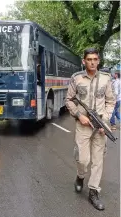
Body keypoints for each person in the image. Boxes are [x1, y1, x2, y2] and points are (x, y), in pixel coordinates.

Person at [65, 48, 116, 211]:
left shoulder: (106, 79)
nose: (92, 62)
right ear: (84, 61)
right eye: (89, 59)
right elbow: (69, 100)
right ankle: (80, 177)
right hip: (83, 125)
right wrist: (79, 115)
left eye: (95, 59)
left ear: (98, 61)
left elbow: (111, 101)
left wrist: (105, 121)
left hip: (101, 125)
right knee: (83, 160)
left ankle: (93, 191)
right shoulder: (76, 78)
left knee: (98, 161)